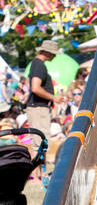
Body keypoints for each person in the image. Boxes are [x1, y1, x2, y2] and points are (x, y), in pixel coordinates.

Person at [26, 40, 64, 170]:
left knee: (40, 143)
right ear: (48, 53)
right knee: (40, 143)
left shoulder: (36, 64)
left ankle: (41, 173)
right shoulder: (39, 65)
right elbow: (35, 88)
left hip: (38, 108)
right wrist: (53, 97)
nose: (54, 56)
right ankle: (38, 175)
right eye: (54, 53)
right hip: (38, 108)